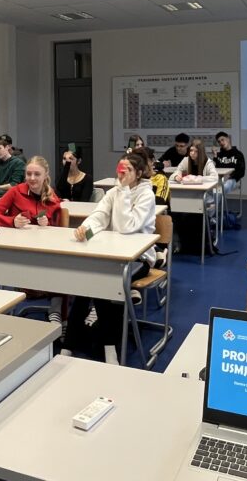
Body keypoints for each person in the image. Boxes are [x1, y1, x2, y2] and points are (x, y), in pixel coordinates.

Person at [60, 153, 157, 365]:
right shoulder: (114, 192)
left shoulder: (146, 195)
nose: (122, 173)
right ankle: (73, 345)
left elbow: (126, 227)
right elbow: (99, 216)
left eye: (128, 170)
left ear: (139, 173)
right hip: (112, 255)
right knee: (87, 283)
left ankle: (104, 346)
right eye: (121, 168)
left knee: (101, 283)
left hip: (138, 258)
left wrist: (124, 190)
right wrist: (85, 229)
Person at [0, 157, 66, 325]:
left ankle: (56, 312)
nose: (32, 178)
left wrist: (47, 223)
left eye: (37, 174)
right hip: (19, 251)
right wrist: (12, 221)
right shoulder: (16, 191)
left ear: (46, 175)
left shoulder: (52, 197)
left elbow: (58, 229)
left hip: (44, 251)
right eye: (28, 174)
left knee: (63, 267)